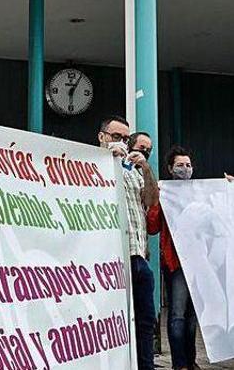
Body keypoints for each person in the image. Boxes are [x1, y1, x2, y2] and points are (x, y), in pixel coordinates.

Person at [97, 118, 159, 370]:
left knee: (145, 322)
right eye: (115, 136)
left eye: (125, 138)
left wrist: (145, 168)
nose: (120, 142)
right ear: (102, 137)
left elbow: (152, 201)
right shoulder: (86, 165)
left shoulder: (133, 171)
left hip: (137, 256)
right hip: (108, 259)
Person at [146, 146, 199, 369]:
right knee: (177, 313)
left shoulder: (201, 191)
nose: (184, 169)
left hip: (199, 263)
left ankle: (190, 360)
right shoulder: (164, 192)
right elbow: (152, 226)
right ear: (170, 168)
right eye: (179, 165)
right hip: (175, 262)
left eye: (188, 165)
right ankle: (180, 364)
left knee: (192, 317)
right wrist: (158, 200)